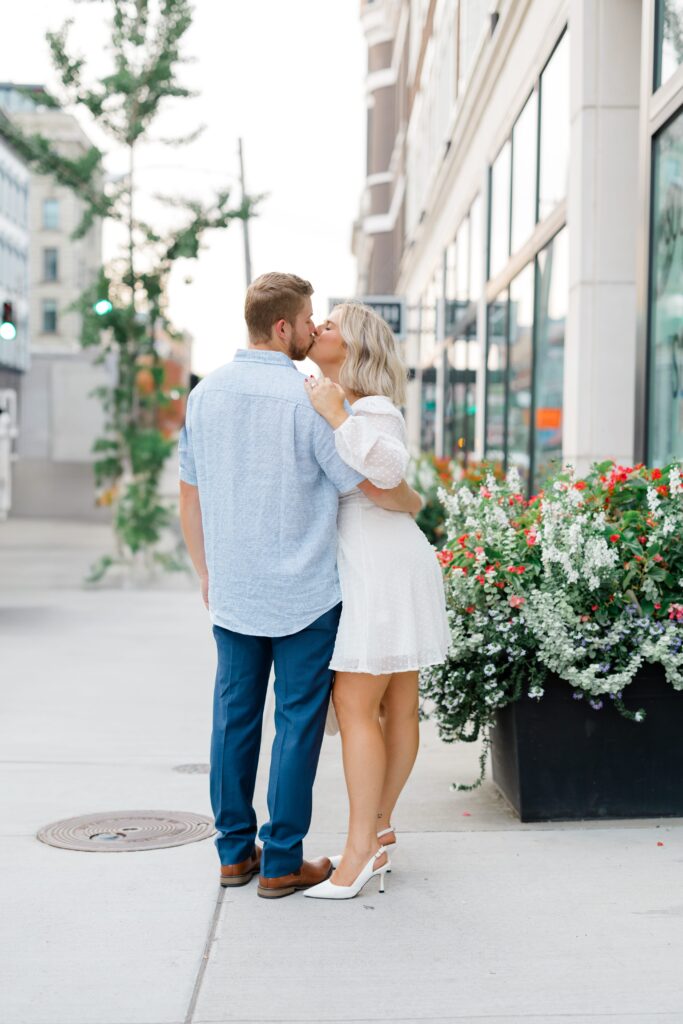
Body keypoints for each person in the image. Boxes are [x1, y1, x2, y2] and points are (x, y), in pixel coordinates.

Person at [178, 273, 421, 899]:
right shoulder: (309, 398)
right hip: (308, 594)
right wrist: (415, 501)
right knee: (296, 724)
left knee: (233, 722)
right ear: (283, 327)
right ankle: (282, 861)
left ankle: (234, 854)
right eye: (310, 320)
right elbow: (365, 487)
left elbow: (190, 492)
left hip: (234, 591)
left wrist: (207, 573)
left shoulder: (204, 395)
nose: (314, 330)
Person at [301, 301, 450, 900]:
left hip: (380, 568)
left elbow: (387, 472)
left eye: (331, 325)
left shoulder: (369, 408)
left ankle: (360, 850)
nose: (320, 329)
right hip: (387, 559)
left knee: (358, 704)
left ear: (355, 347)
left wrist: (338, 414)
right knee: (396, 707)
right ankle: (380, 830)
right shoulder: (359, 405)